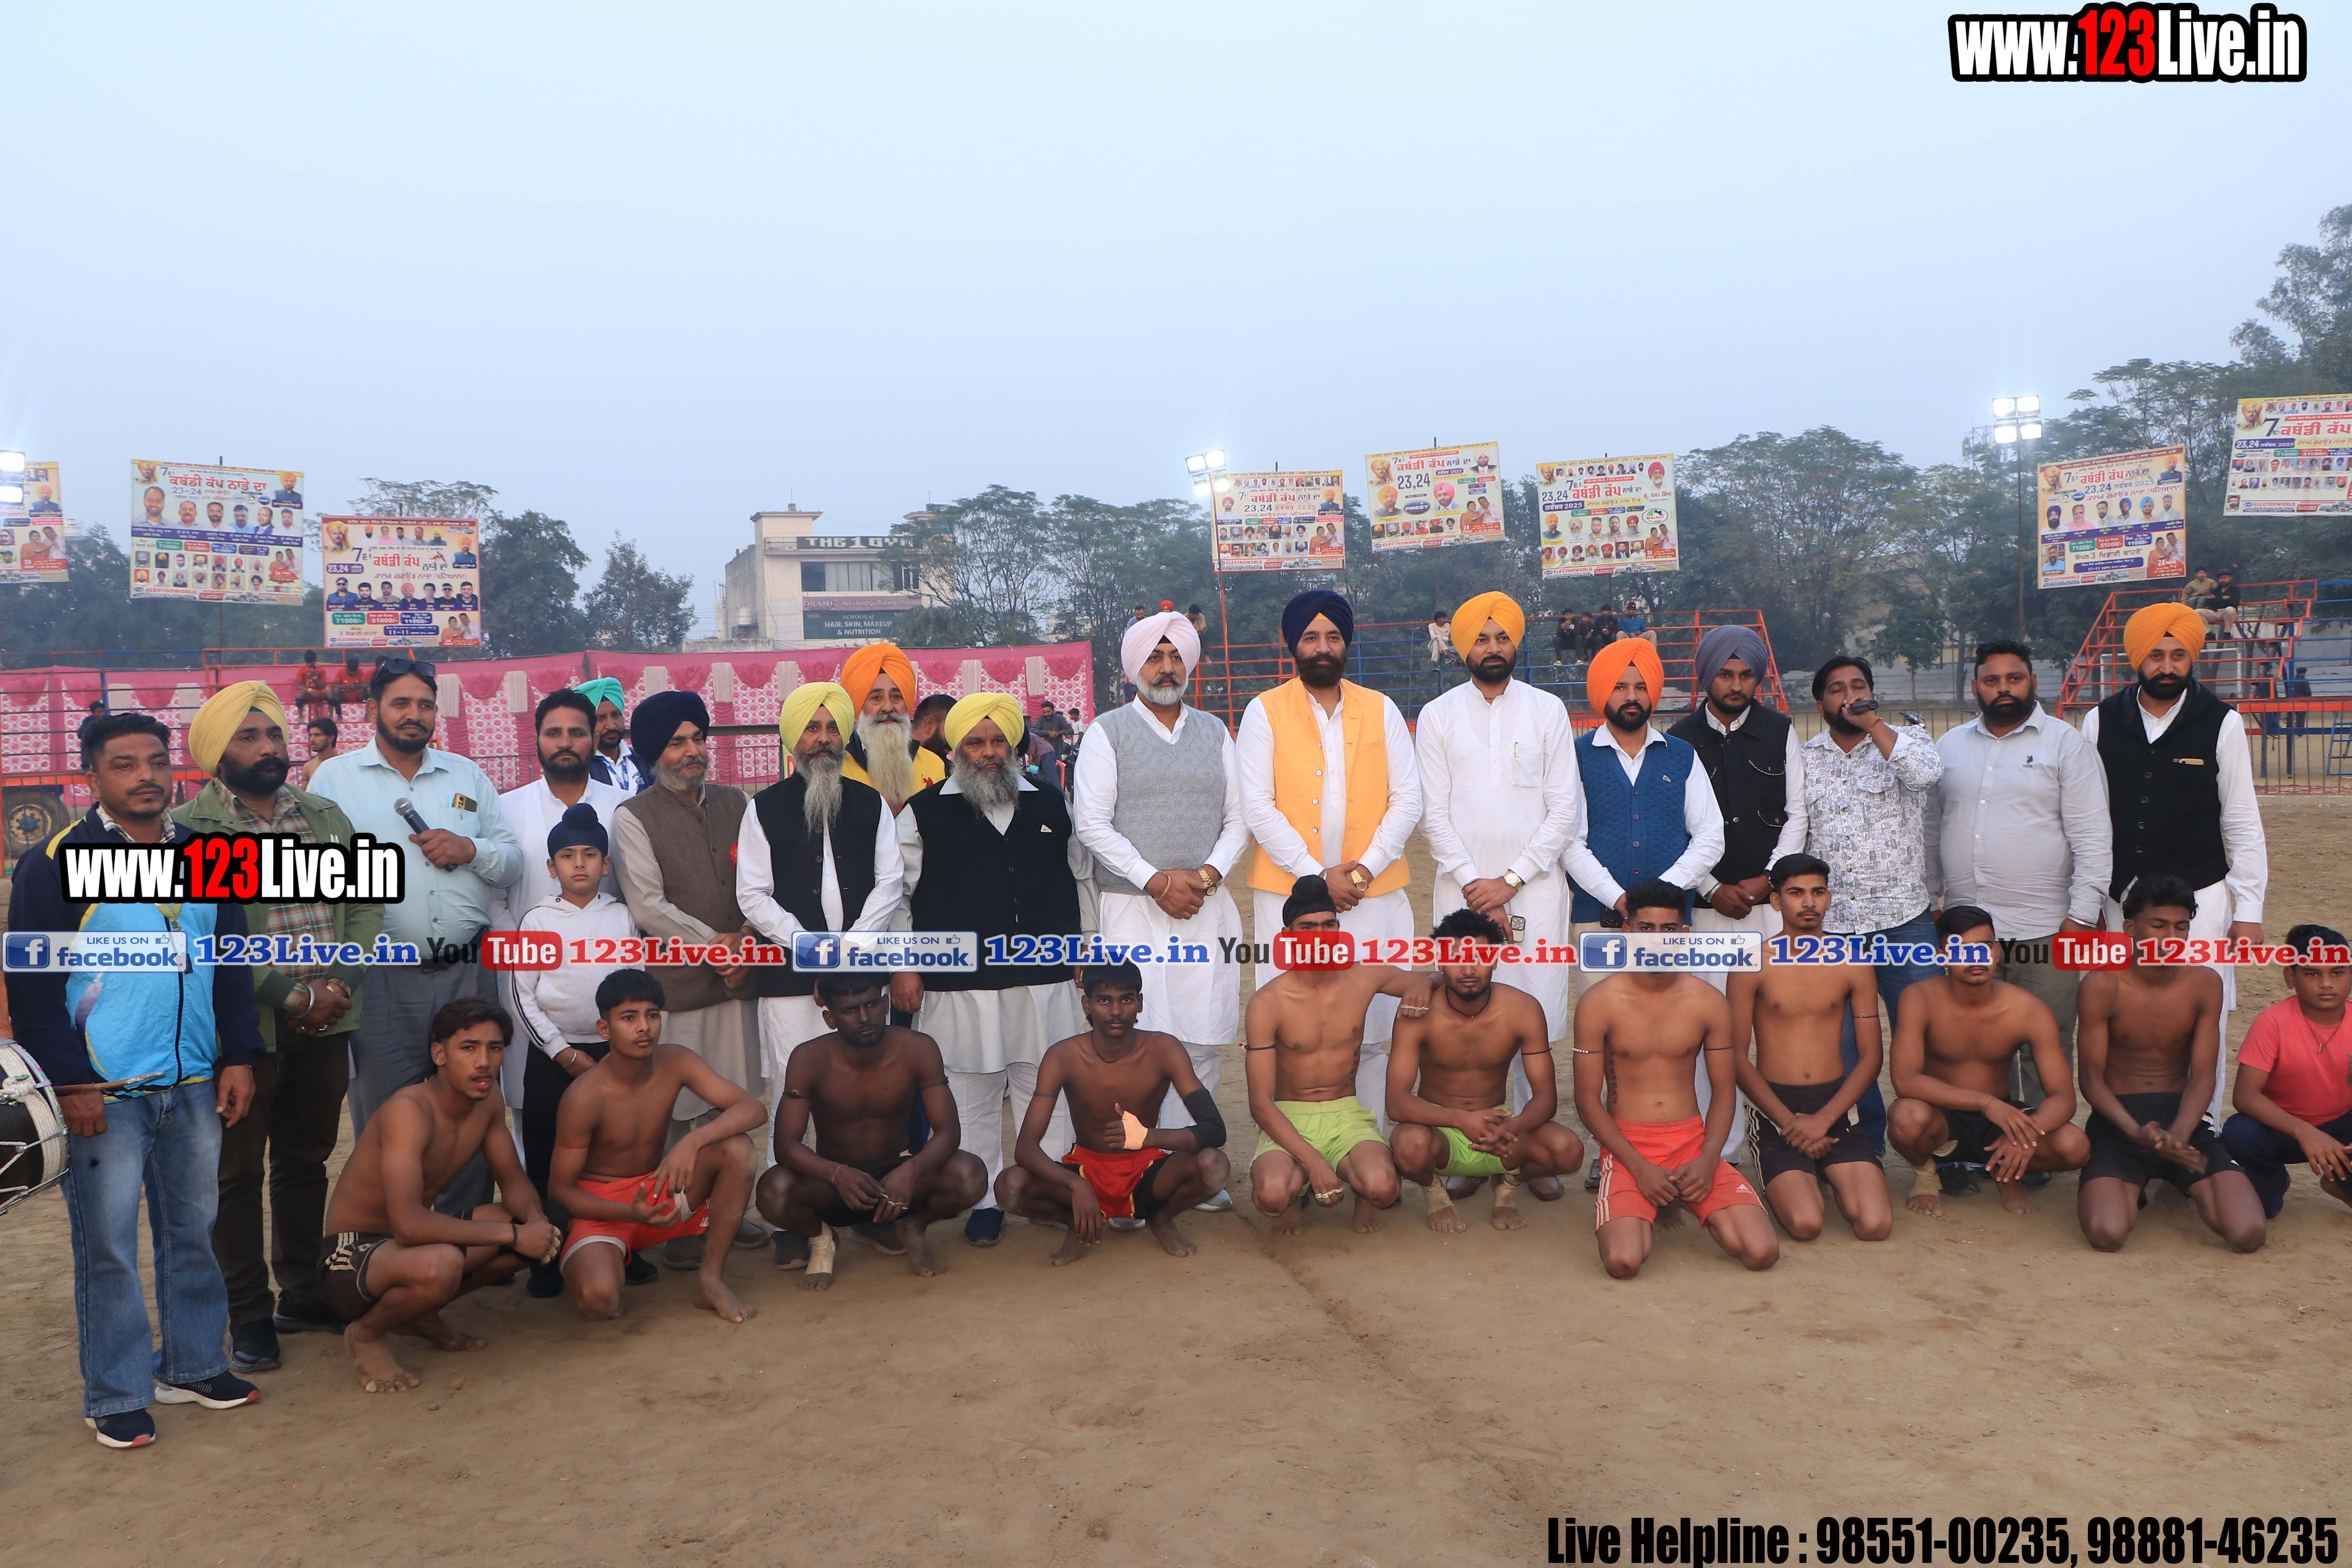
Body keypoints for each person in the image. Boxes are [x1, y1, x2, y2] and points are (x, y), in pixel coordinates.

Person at [5, 711, 267, 1448]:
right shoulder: (53, 863)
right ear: (91, 778)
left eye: (156, 761)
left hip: (194, 1081)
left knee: (195, 1231)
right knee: (110, 1247)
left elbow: (230, 963)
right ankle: (116, 1392)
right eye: (124, 765)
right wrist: (72, 1081)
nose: (145, 777)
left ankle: (192, 1365)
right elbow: (32, 985)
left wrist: (238, 1055)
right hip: (107, 1091)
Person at [172, 684, 384, 1371]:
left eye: (272, 735)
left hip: (329, 1020)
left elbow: (365, 909)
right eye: (248, 737)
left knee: (304, 1161)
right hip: (243, 1032)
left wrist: (338, 985)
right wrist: (292, 995)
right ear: (215, 754)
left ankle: (301, 1292)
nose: (268, 748)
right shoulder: (190, 831)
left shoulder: (323, 815)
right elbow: (207, 942)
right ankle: (248, 1314)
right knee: (235, 1176)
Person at [307, 656, 522, 1214]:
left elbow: (512, 861)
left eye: (425, 704)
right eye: (401, 703)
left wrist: (469, 848)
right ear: (372, 710)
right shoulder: (335, 779)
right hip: (381, 977)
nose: (415, 714)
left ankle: (467, 1238)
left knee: (472, 1105)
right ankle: (388, 1240)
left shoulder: (466, 776)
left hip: (468, 973)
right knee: (389, 1114)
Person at [895, 693, 1093, 1245]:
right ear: (956, 749)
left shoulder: (1051, 802)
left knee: (1046, 1090)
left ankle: (1045, 1192)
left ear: (1014, 746)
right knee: (970, 1093)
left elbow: (1082, 878)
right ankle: (982, 1201)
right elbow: (899, 898)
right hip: (960, 985)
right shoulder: (923, 811)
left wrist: (1087, 949)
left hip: (1045, 978)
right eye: (976, 743)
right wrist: (905, 966)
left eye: (998, 742)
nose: (988, 753)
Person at [1071, 611, 1245, 1212]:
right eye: (1154, 657)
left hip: (1204, 906)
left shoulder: (1215, 732)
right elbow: (1092, 823)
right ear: (1134, 668)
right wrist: (1156, 881)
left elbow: (1239, 819)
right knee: (1133, 1042)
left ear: (1189, 665)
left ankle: (1188, 1173)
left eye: (1175, 657)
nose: (1166, 668)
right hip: (1131, 908)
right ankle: (1131, 1171)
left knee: (1199, 1037)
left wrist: (1204, 877)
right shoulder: (1108, 733)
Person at [1416, 591, 1581, 1198]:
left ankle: (1524, 1149)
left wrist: (1509, 881)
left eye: (1502, 638)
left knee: (1531, 1013)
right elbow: (1432, 813)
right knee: (1468, 1017)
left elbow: (1564, 810)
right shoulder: (1438, 715)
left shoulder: (1548, 711)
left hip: (1533, 893)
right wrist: (1473, 884)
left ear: (1517, 643)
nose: (1493, 648)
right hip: (1460, 894)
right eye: (1482, 639)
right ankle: (1472, 1152)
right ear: (1464, 647)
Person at [737, 681, 906, 1266]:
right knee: (795, 1093)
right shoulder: (763, 808)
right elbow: (753, 895)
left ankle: (869, 1212)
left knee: (866, 1095)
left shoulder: (870, 803)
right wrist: (813, 950)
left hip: (862, 979)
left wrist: (850, 950)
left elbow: (890, 882)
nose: (824, 739)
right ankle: (798, 1219)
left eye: (833, 728)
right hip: (791, 983)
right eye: (812, 728)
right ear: (793, 739)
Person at [2081, 603, 2267, 1127]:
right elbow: (2087, 818)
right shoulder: (2100, 720)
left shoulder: (2223, 722)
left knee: (2203, 1018)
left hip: (2201, 902)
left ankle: (2199, 1132)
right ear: (2136, 658)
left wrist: (2248, 911)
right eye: (2156, 655)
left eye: (2179, 655)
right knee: (2122, 1017)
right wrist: (2088, 903)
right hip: (2120, 903)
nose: (2167, 666)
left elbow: (2242, 821)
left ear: (2193, 659)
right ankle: (2123, 1134)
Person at [1238, 590, 1422, 1119]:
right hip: (1290, 899)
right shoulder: (1264, 711)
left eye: (1334, 637)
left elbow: (1408, 799)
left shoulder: (1381, 709)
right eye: (1312, 637)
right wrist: (1318, 878)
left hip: (1374, 895)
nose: (1323, 647)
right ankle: (1296, 1147)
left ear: (1347, 643)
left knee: (1372, 1031)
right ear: (1293, 645)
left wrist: (1362, 873)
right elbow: (1258, 807)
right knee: (1293, 1030)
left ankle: (1371, 1142)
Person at [315, 999, 560, 1394]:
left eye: (495, 1048)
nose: (484, 1062)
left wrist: (534, 1223)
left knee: (547, 1224)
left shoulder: (488, 1101)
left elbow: (514, 1181)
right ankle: (366, 1334)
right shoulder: (409, 1111)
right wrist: (516, 1236)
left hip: (409, 1250)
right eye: (469, 1048)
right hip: (350, 1261)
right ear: (439, 1054)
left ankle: (419, 1312)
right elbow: (409, 1226)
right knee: (445, 1262)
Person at [1563, 635, 1735, 1174]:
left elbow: (1710, 836)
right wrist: (1621, 900)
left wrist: (1659, 899)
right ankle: (1614, 1155)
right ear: (1602, 694)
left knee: (1668, 1036)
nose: (1632, 696)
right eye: (1620, 686)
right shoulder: (1575, 757)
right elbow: (1568, 840)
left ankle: (1682, 1147)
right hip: (1598, 921)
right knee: (1611, 1039)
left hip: (1670, 927)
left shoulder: (1681, 756)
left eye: (1641, 686)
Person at [610, 689, 766, 1265]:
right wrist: (719, 947)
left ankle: (727, 1213)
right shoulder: (633, 816)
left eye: (698, 738)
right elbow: (648, 905)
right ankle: (678, 1224)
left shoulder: (737, 802)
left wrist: (746, 939)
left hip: (737, 982)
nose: (692, 751)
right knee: (678, 1116)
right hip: (678, 991)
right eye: (677, 743)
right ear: (655, 753)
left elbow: (758, 883)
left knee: (731, 1105)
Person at [1925, 639, 2110, 1113]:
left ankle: (2043, 1141)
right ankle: (1982, 1140)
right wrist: (1932, 902)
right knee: (1977, 1046)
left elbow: (2093, 836)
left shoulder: (2066, 744)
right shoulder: (1949, 747)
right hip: (1968, 930)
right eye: (1992, 680)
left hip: (2046, 929)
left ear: (2032, 682)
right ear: (1975, 687)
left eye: (2015, 678)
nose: (2003, 688)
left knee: (2045, 1044)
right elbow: (1931, 829)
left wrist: (2080, 919)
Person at [1572, 881, 1777, 1279]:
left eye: (1668, 929)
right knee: (1624, 1261)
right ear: (1628, 931)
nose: (1657, 939)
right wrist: (1639, 1167)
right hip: (1629, 1144)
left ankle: (1682, 1192)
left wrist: (1708, 1159)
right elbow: (1587, 1101)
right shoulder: (1598, 1003)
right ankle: (1655, 1195)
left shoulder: (1708, 1001)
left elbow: (1724, 1092)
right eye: (1646, 928)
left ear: (1684, 934)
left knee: (1761, 1251)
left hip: (1692, 1142)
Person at [549, 970, 763, 1322]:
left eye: (652, 1015)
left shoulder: (675, 1060)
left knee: (737, 1149)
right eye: (629, 1018)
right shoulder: (583, 1097)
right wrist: (628, 1214)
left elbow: (752, 1109)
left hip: (657, 1193)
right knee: (599, 1301)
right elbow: (561, 1191)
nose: (643, 1028)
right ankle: (606, 1264)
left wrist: (693, 1140)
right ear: (605, 1029)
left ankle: (710, 1281)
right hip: (602, 1211)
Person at [755, 973, 987, 1288]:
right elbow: (785, 1145)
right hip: (834, 1184)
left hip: (895, 1180)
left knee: (970, 1174)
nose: (865, 1018)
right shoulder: (808, 1058)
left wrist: (912, 1171)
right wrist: (837, 1174)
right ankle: (823, 1240)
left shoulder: (918, 1048)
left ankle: (914, 1227)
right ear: (830, 1019)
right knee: (773, 1190)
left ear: (886, 1004)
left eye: (872, 1005)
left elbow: (948, 1131)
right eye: (850, 1011)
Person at [2074, 877, 2265, 1253]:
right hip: (2119, 1125)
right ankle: (2133, 1184)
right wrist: (2136, 1133)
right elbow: (2091, 1079)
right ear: (2130, 928)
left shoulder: (2205, 983)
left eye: (2181, 927)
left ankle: (2173, 1176)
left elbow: (2204, 1074)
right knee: (2107, 1234)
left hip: (2185, 1122)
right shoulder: (2101, 985)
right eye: (2158, 925)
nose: (2171, 938)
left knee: (2248, 1233)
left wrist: (2177, 1134)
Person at [1800, 653, 1943, 1158]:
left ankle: (1934, 1149)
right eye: (1837, 689)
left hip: (1905, 920)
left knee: (1927, 1038)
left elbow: (1925, 776)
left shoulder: (1908, 740)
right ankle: (1864, 1146)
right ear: (1821, 704)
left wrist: (1874, 725)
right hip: (1835, 929)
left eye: (1859, 686)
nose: (1850, 696)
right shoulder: (1804, 758)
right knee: (1842, 1046)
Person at [996, 962, 1231, 1263]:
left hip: (1149, 1169)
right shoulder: (1063, 1056)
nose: (1116, 1011)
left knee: (1214, 1165)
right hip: (1087, 1169)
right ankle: (1077, 1224)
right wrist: (1076, 1185)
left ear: (1140, 1003)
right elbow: (1025, 1149)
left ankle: (1161, 1219)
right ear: (1087, 1005)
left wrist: (1147, 1137)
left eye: (1127, 999)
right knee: (1009, 1186)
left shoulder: (1164, 1049)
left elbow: (1215, 1130)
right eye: (1104, 1000)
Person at [1243, 877, 1434, 1234]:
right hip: (1289, 1114)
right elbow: (1260, 1104)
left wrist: (1426, 983)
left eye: (1329, 925)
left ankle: (1364, 1199)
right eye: (1308, 927)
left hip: (1345, 1114)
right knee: (1272, 1195)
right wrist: (1315, 1162)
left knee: (1384, 1188)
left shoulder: (1363, 978)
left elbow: (1438, 978)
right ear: (1287, 936)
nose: (1320, 935)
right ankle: (1295, 1192)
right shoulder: (1267, 1003)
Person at [509, 802, 643, 1294]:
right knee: (548, 1155)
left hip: (615, 1057)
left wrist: (623, 1047)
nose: (580, 864)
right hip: (554, 1060)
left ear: (606, 864)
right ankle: (547, 1257)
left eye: (590, 854)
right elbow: (522, 997)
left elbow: (636, 984)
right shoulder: (537, 920)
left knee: (617, 1154)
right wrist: (563, 1053)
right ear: (552, 867)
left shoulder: (623, 917)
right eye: (568, 856)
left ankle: (627, 1249)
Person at [1726, 855, 1892, 1242]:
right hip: (1775, 1110)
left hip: (1836, 1106)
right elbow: (1735, 1057)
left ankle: (1827, 1168)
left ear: (1829, 899)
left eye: (1818, 892)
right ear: (1776, 901)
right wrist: (1790, 1123)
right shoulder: (1751, 962)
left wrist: (1823, 1120)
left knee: (1875, 1225)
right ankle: (1801, 1172)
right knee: (1805, 1224)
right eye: (1796, 893)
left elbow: (1871, 1057)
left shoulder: (1852, 961)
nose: (1808, 902)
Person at [1386, 909, 1584, 1232]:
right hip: (1439, 1131)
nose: (1468, 969)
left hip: (1499, 1130)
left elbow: (1546, 1097)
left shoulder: (1523, 1009)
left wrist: (1513, 1127)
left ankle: (1507, 1184)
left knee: (1568, 1150)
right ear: (1440, 962)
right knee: (1408, 1145)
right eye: (1456, 958)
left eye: (1480, 957)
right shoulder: (1418, 1012)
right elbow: (1396, 1103)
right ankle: (1435, 1193)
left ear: (1495, 961)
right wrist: (1460, 1120)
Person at [1886, 906, 2090, 1218]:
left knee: (2074, 1146)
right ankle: (1927, 1173)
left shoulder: (2028, 1009)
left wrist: (2026, 1135)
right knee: (1906, 1116)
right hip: (1942, 1118)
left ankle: (2006, 1175)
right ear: (1942, 957)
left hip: (2002, 1120)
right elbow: (1905, 1080)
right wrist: (1985, 1103)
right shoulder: (1919, 998)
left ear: (1997, 951)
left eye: (1984, 947)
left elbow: (2063, 1097)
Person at [1669, 624, 1808, 976]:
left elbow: (1797, 814)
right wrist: (1711, 888)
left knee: (1775, 1000)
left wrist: (1770, 878)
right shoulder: (1679, 740)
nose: (1736, 686)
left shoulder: (1780, 731)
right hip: (1704, 907)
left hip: (1771, 905)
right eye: (1725, 675)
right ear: (1707, 677)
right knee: (1708, 1002)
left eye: (1746, 676)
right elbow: (1673, 827)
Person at [2221, 924, 2352, 1219]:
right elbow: (2245, 1096)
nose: (2327, 983)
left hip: (2342, 1129)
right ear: (2290, 977)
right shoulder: (2273, 1023)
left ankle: (2341, 1183)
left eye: (2338, 972)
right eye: (2312, 974)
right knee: (2239, 1133)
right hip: (2283, 1130)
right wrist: (2305, 1132)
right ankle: (2271, 1180)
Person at [837, 641, 947, 807]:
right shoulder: (840, 768)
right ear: (859, 706)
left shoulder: (934, 764)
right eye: (876, 698)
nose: (888, 707)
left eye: (896, 697)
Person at [574, 676, 644, 793]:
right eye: (600, 718)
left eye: (616, 715)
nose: (611, 726)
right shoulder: (578, 767)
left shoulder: (642, 760)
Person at [911, 691, 955, 762]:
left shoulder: (946, 768)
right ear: (929, 724)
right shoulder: (895, 758)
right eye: (951, 732)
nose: (954, 743)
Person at [2197, 569, 2242, 637]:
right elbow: (2208, 603)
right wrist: (2223, 598)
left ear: (2230, 578)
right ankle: (2209, 633)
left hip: (2230, 614)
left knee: (2230, 609)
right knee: (2197, 612)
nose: (2223, 580)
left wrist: (2216, 600)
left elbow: (2234, 602)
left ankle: (2227, 633)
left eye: (2225, 578)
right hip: (2216, 612)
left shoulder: (2235, 589)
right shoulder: (2215, 590)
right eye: (2221, 578)